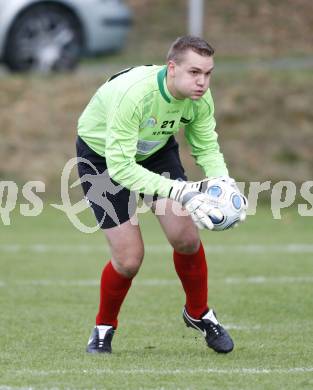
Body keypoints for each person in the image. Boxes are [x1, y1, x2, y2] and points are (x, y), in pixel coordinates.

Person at [76, 35, 247, 355]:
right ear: (172, 69)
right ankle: (103, 328)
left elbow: (206, 146)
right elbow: (121, 168)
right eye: (194, 73)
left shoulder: (200, 99)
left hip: (155, 150)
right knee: (129, 259)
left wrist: (223, 185)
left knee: (186, 237)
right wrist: (182, 191)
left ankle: (198, 313)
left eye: (208, 74)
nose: (202, 82)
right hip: (103, 158)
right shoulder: (135, 96)